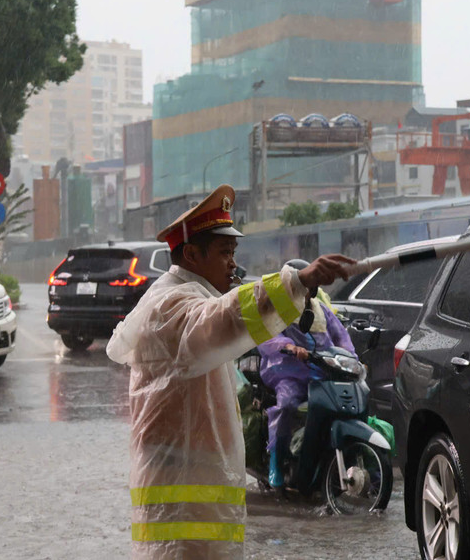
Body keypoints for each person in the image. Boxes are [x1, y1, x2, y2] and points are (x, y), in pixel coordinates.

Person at [106, 185, 354, 560]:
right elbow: (224, 318)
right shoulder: (170, 305)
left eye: (234, 254)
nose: (233, 265)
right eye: (224, 253)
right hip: (181, 516)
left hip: (195, 507)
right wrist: (296, 283)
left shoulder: (185, 296)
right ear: (191, 254)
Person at [255, 260, 356, 489]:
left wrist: (353, 361)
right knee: (287, 404)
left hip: (322, 372)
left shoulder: (322, 310)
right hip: (287, 372)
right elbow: (266, 336)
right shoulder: (278, 308)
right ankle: (276, 460)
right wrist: (289, 346)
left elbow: (341, 339)